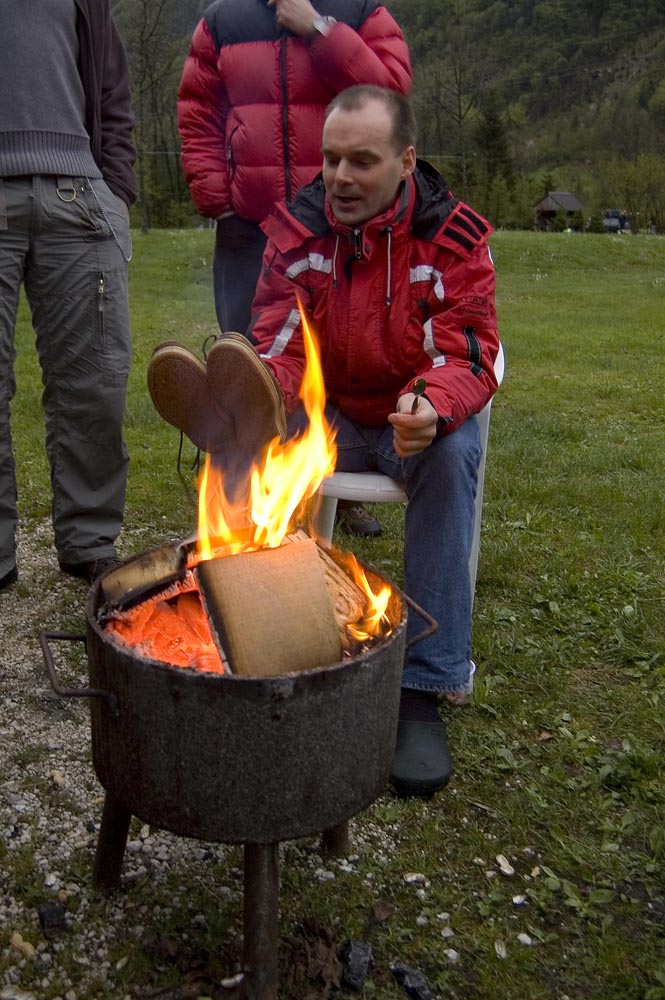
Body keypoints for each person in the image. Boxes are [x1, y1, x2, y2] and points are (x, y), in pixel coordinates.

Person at [150, 85, 500, 796]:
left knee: (453, 452)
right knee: (244, 434)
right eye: (331, 159)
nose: (339, 177)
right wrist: (262, 392)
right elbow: (281, 345)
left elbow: (469, 352)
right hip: (329, 414)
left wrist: (431, 405)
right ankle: (244, 627)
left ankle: (424, 686)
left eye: (361, 161)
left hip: (405, 414)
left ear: (406, 161)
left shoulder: (451, 238)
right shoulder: (296, 233)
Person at [176, 0, 412, 537]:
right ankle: (238, 503)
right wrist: (218, 197)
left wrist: (321, 31)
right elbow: (197, 110)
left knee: (337, 355)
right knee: (247, 359)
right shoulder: (223, 18)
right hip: (249, 224)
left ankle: (334, 488)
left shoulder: (358, 10)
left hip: (336, 222)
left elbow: (391, 95)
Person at [0, 0, 135, 591]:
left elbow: (113, 92)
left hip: (79, 193)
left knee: (95, 381)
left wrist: (116, 192)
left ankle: (89, 540)